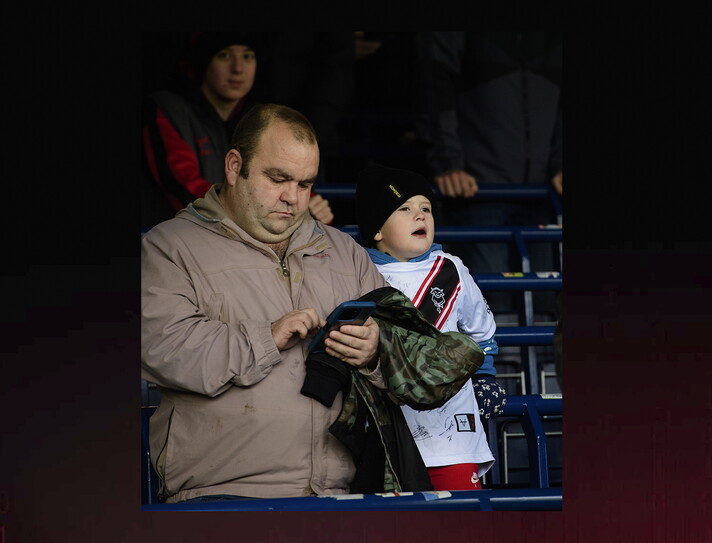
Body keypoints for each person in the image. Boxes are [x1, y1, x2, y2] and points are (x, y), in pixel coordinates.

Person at [141, 103, 483, 502]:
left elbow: (406, 344)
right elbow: (164, 349)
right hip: (223, 494)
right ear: (234, 166)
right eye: (278, 179)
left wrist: (375, 351)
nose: (292, 198)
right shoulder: (169, 247)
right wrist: (266, 338)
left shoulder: (342, 249)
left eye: (305, 184)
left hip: (343, 494)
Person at [354, 163, 495, 490]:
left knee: (462, 521)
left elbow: (481, 333)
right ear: (377, 230)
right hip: (391, 429)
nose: (420, 215)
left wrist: (485, 377)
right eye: (404, 208)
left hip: (454, 434)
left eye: (426, 208)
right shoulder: (359, 271)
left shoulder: (451, 268)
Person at [413, 32, 563, 320]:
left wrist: (560, 160)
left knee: (548, 308)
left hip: (543, 194)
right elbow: (434, 81)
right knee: (490, 309)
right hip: (478, 192)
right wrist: (448, 161)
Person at [140, 32, 335, 231]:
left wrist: (310, 208)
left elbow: (286, 173)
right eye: (224, 55)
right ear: (203, 62)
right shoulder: (167, 109)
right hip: (181, 237)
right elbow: (182, 185)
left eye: (248, 56)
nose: (238, 69)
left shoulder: (265, 117)